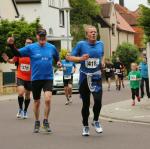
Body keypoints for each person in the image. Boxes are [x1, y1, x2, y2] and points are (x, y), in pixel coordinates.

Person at [7, 29, 61, 133]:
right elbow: (17, 53)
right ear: (37, 36)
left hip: (48, 78)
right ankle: (37, 121)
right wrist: (11, 45)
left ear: (46, 36)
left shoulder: (52, 47)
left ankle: (45, 121)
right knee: (36, 101)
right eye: (40, 35)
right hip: (36, 78)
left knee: (48, 99)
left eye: (44, 35)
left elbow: (56, 58)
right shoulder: (30, 48)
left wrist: (58, 62)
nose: (42, 37)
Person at [66, 25, 104, 136]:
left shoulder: (100, 44)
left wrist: (102, 62)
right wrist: (81, 59)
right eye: (91, 32)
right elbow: (69, 57)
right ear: (86, 35)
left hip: (96, 77)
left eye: (95, 32)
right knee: (86, 104)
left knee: (98, 101)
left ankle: (96, 120)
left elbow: (102, 55)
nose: (93, 34)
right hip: (84, 77)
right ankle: (85, 125)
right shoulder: (81, 45)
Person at [2, 38, 33, 119]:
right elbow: (13, 61)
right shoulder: (20, 52)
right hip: (20, 76)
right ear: (25, 43)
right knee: (20, 92)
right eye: (27, 42)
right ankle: (20, 109)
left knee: (27, 95)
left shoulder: (34, 54)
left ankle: (25, 111)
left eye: (30, 43)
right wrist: (7, 59)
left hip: (30, 78)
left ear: (32, 44)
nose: (28, 44)